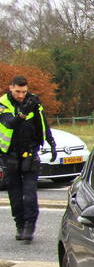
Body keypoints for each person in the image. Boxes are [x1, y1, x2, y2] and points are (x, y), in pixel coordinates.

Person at [0, 76, 57, 242]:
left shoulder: (33, 102)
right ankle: (20, 224)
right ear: (10, 88)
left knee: (30, 194)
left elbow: (42, 124)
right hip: (10, 155)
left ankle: (29, 227)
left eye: (24, 92)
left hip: (30, 153)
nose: (20, 95)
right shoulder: (3, 103)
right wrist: (23, 114)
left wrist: (51, 142)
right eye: (17, 91)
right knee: (15, 195)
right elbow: (9, 123)